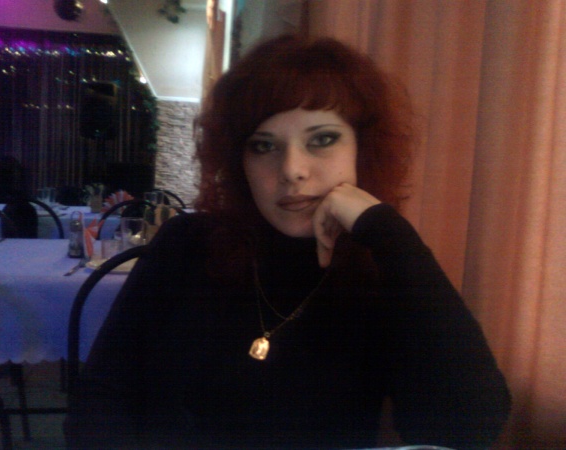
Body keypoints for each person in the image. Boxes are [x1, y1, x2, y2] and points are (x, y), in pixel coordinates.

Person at [64, 35, 511, 449]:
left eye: (323, 140)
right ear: (238, 162)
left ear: (364, 149)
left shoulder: (381, 272)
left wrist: (388, 231)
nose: (292, 169)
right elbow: (101, 398)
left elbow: (469, 428)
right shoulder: (186, 244)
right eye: (263, 146)